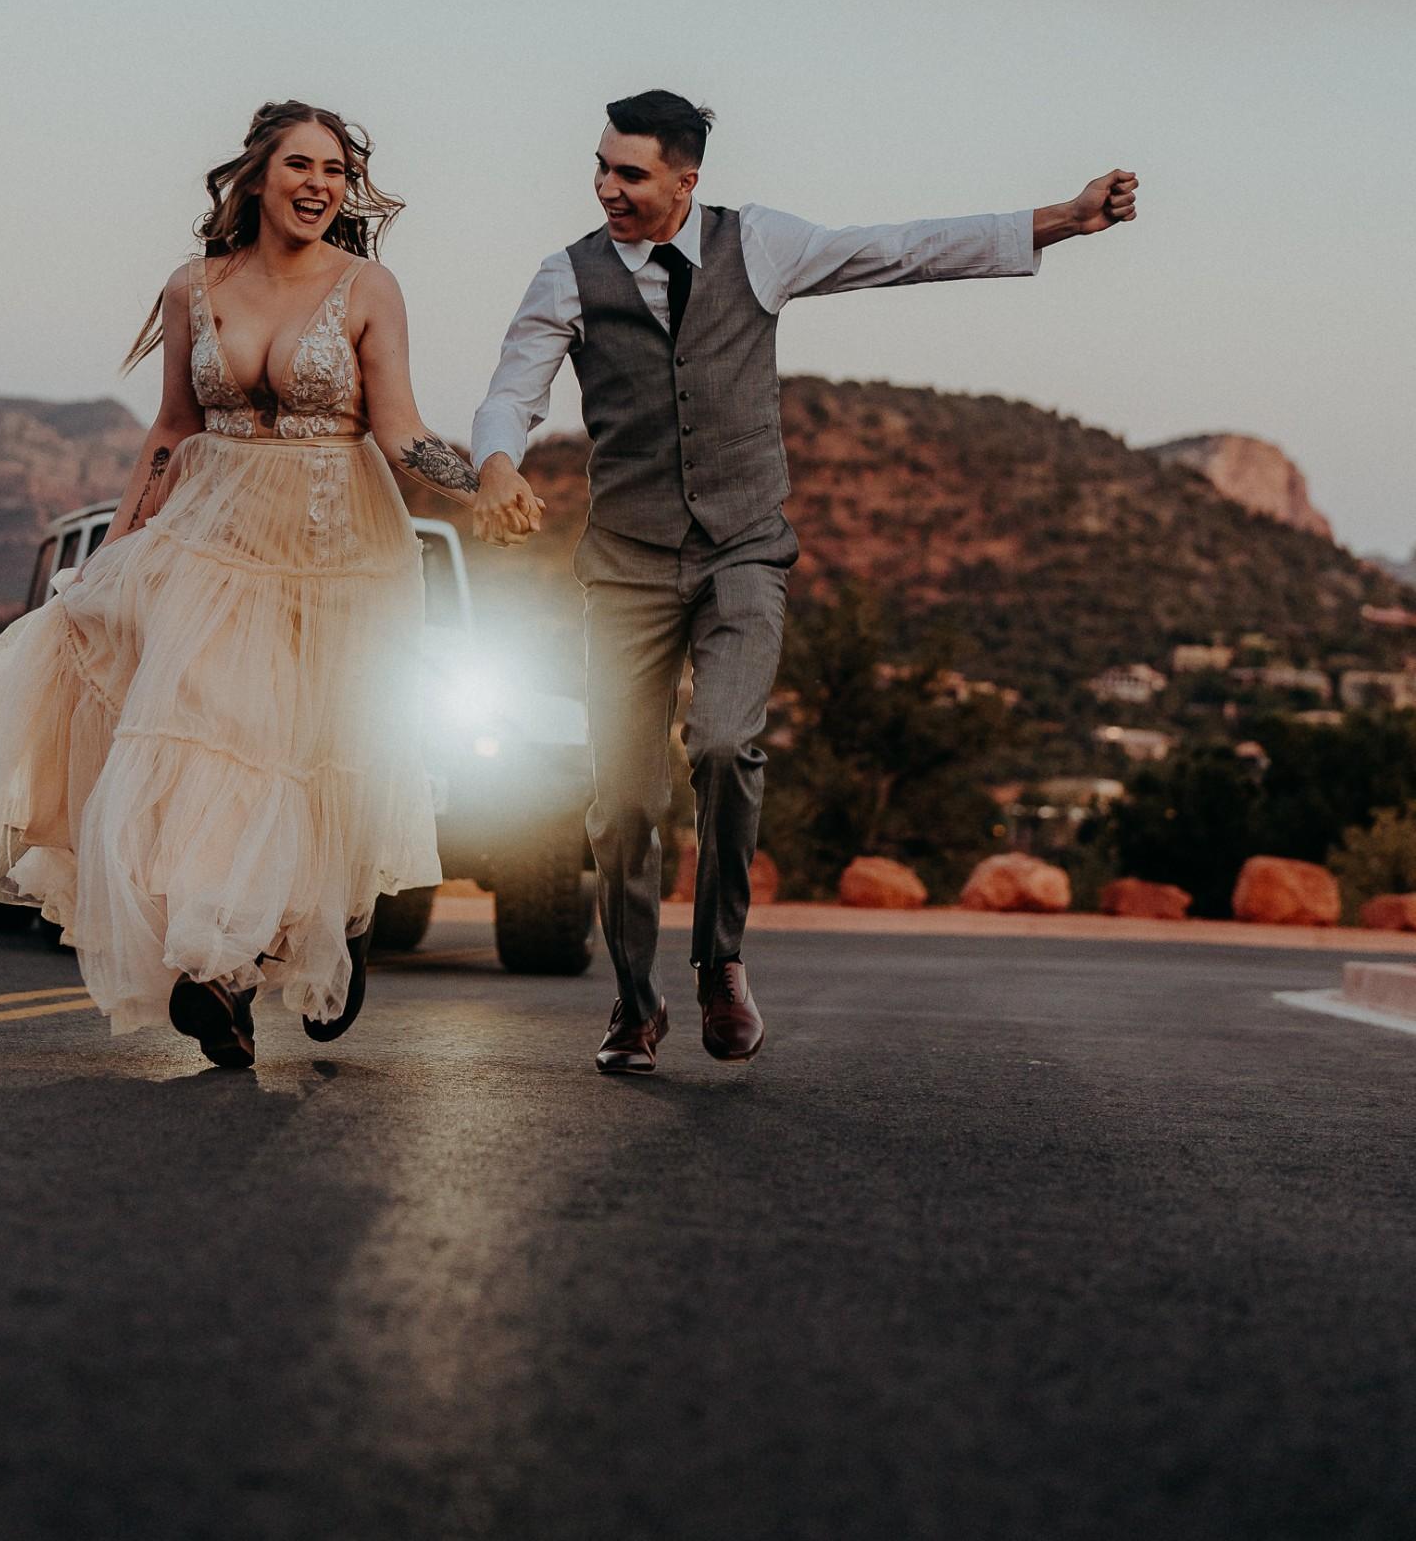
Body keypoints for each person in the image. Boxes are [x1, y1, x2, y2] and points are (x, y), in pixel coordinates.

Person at [468, 90, 1138, 1078]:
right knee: (620, 803)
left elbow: (903, 248)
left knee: (728, 743)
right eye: (601, 168)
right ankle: (635, 998)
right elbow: (510, 390)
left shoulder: (762, 246)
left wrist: (1064, 219)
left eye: (630, 173)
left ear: (685, 181)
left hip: (742, 548)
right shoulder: (565, 277)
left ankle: (720, 965)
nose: (607, 188)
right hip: (627, 568)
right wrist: (493, 462)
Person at [0, 100, 475, 1071]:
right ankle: (216, 973)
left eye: (334, 172)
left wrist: (479, 480)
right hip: (212, 538)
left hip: (338, 551)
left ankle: (333, 921)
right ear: (256, 177)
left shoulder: (368, 288)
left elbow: (398, 427)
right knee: (204, 749)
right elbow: (169, 432)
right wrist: (118, 548)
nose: (319, 185)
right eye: (300, 166)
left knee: (309, 752)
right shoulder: (195, 287)